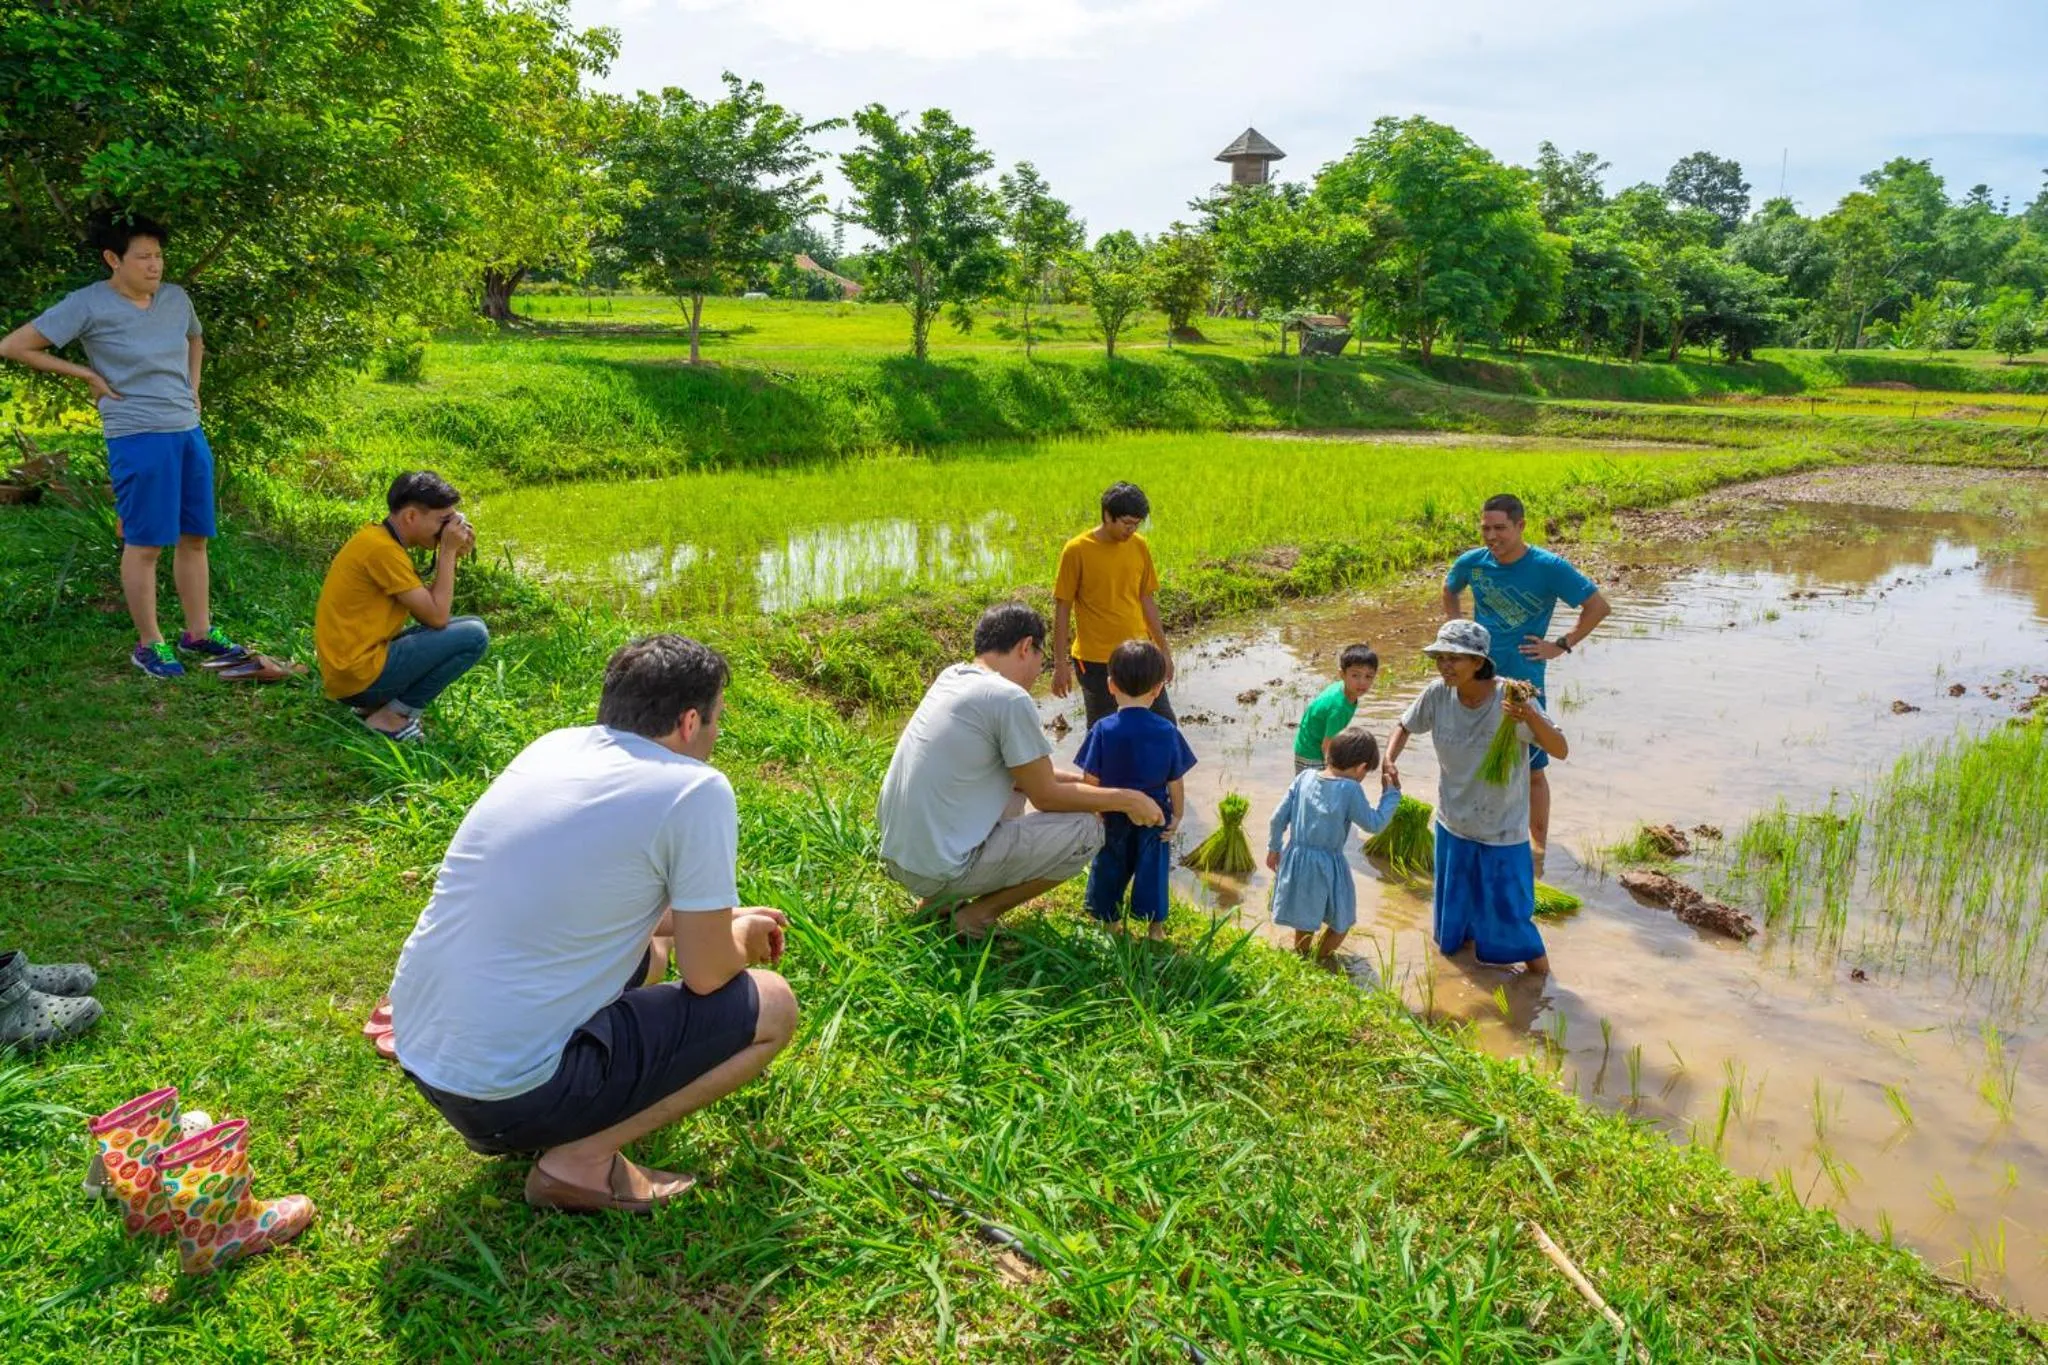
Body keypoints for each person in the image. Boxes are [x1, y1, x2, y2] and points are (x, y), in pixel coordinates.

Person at [387, 635, 797, 1214]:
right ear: (688, 722)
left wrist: (714, 919)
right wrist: (742, 940)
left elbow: (598, 896)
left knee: (648, 951)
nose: (715, 736)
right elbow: (707, 975)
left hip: (425, 1052)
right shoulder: (696, 788)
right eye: (715, 721)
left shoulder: (553, 748)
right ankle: (579, 1162)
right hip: (503, 1095)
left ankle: (565, 1098)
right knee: (773, 1005)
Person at [0, 213, 244, 678]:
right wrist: (88, 375)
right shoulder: (88, 304)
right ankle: (150, 644)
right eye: (144, 257)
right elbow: (14, 346)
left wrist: (194, 387)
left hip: (187, 430)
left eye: (159, 256)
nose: (155, 266)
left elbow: (196, 338)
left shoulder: (175, 298)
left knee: (195, 537)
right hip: (137, 434)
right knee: (147, 541)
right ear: (113, 259)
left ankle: (198, 633)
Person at [878, 602, 1167, 941]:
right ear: (1026, 647)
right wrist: (1128, 799)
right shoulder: (1008, 698)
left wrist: (1094, 785)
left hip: (901, 857)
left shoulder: (953, 677)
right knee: (1087, 829)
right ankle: (977, 915)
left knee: (1014, 792)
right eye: (1040, 663)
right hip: (937, 866)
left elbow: (1027, 775)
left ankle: (936, 902)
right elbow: (1045, 796)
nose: (1036, 675)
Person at [1384, 621, 1567, 975]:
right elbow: (1404, 725)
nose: (1445, 666)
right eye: (1441, 658)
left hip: (1501, 832)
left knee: (1511, 917)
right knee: (1456, 919)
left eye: (1456, 658)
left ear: (1479, 662)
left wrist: (1529, 714)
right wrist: (1389, 759)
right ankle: (1460, 977)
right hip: (1453, 825)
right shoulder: (1437, 694)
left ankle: (1541, 987)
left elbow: (1560, 749)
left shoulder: (1513, 699)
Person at [1441, 493, 1610, 871]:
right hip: (1477, 673)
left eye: (1500, 528)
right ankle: (1480, 827)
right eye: (1485, 528)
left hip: (1523, 677)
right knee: (1474, 753)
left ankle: (1537, 845)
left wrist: (1560, 645)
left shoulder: (1548, 567)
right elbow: (1450, 588)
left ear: (1520, 526)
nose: (1492, 536)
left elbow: (1598, 606)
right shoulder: (1473, 563)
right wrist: (1455, 631)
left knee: (1533, 768)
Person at [315, 471, 489, 741]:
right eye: (443, 521)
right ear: (410, 516)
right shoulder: (382, 551)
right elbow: (437, 617)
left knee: (472, 626)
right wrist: (447, 551)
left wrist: (449, 554)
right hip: (357, 678)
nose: (448, 529)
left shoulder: (378, 540)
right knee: (474, 637)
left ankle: (378, 707)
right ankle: (392, 717)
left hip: (353, 671)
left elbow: (429, 608)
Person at [1076, 640, 1197, 941]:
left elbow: (1090, 777)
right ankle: (1155, 929)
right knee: (1153, 872)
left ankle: (1107, 922)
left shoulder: (1103, 729)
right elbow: (1175, 779)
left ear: (1110, 685)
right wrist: (1177, 815)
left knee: (1109, 866)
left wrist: (1095, 809)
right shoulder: (1167, 730)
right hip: (1155, 815)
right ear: (1157, 689)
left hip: (1113, 813)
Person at [1266, 725, 1402, 963]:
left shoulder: (1304, 777)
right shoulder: (1350, 789)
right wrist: (1390, 795)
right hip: (1327, 863)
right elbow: (1374, 823)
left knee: (1304, 919)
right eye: (1365, 772)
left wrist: (1274, 848)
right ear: (1361, 768)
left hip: (1296, 858)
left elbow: (1277, 818)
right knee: (1343, 920)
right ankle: (1320, 959)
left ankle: (1301, 959)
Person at [1051, 481, 1175, 731]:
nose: (1131, 530)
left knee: (1164, 726)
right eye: (1126, 523)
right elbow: (1062, 608)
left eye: (1136, 524)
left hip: (1139, 655)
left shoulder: (1139, 545)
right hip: (1096, 660)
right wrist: (1060, 664)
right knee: (1103, 733)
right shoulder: (1077, 550)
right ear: (1107, 515)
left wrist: (1164, 650)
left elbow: (1146, 599)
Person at [1290, 643, 1381, 774]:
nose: (1362, 682)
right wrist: (1333, 774)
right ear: (1342, 674)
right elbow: (1327, 747)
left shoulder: (1343, 690)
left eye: (1368, 676)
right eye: (1355, 675)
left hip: (1306, 744)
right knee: (1317, 790)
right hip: (1312, 755)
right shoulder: (1339, 708)